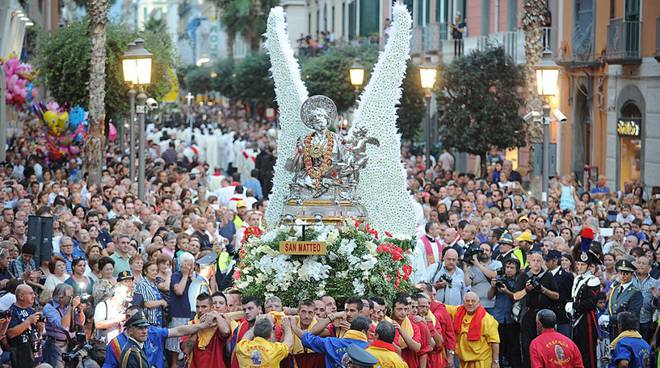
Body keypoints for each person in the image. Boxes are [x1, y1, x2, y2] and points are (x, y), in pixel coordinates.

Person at [513, 252, 559, 368]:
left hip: (544, 314)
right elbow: (515, 296)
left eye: (538, 260)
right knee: (527, 344)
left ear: (542, 262)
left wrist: (543, 290)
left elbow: (556, 295)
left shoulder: (548, 276)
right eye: (533, 260)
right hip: (528, 313)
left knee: (545, 343)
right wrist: (526, 290)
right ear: (529, 262)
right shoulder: (523, 276)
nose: (536, 263)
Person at [565, 249, 601, 368]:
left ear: (589, 266)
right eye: (578, 264)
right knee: (576, 348)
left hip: (587, 319)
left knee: (588, 350)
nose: (579, 267)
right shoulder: (577, 278)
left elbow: (591, 303)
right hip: (576, 318)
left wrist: (574, 305)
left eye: (583, 264)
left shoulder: (593, 280)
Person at [444, 292, 500, 368]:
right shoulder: (458, 311)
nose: (470, 303)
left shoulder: (487, 319)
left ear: (478, 303)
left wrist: (495, 362)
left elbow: (495, 342)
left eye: (473, 301)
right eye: (467, 301)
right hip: (463, 361)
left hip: (481, 362)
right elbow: (442, 307)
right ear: (463, 302)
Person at [293, 316, 371, 368]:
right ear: (364, 331)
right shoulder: (370, 349)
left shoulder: (331, 342)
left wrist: (293, 326)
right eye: (369, 331)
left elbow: (307, 339)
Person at [181, 293, 230, 368]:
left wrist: (216, 314)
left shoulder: (217, 325)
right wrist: (199, 326)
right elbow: (186, 350)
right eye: (197, 307)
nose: (200, 310)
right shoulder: (190, 325)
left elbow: (226, 332)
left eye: (204, 307)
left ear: (212, 307)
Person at [42, 283, 86, 368]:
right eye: (70, 297)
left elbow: (80, 323)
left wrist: (80, 311)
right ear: (60, 296)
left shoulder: (68, 306)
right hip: (56, 345)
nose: (71, 299)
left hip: (71, 343)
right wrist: (71, 307)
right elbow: (62, 325)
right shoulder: (49, 307)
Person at [488, 257, 521, 368]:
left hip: (512, 319)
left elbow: (517, 297)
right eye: (507, 267)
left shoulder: (520, 281)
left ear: (517, 270)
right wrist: (493, 286)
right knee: (498, 347)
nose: (509, 270)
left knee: (513, 348)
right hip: (498, 318)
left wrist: (506, 291)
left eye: (512, 268)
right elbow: (489, 296)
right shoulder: (500, 279)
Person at [7, 284, 45, 368]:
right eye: (31, 293)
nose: (34, 296)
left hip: (36, 353)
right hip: (21, 356)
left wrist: (41, 326)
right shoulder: (12, 311)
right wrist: (28, 322)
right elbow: (10, 333)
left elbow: (39, 333)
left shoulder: (32, 310)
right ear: (21, 296)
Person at [604, 259, 643, 339]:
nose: (623, 276)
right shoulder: (615, 289)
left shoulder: (636, 293)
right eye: (620, 273)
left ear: (632, 274)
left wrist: (610, 318)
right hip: (612, 330)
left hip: (626, 332)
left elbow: (632, 315)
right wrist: (605, 316)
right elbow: (610, 306)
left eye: (626, 273)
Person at [544, 250, 573, 338]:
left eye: (548, 261)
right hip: (548, 315)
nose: (545, 263)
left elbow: (569, 296)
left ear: (555, 261)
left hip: (561, 316)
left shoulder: (566, 276)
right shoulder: (545, 275)